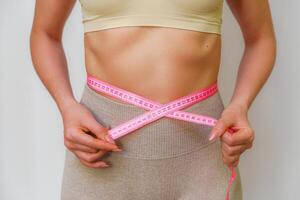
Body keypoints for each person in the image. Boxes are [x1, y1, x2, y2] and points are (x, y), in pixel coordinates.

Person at [30, 0, 276, 199]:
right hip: (99, 152)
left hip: (202, 158)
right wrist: (66, 106)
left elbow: (260, 38)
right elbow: (45, 33)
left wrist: (241, 104)